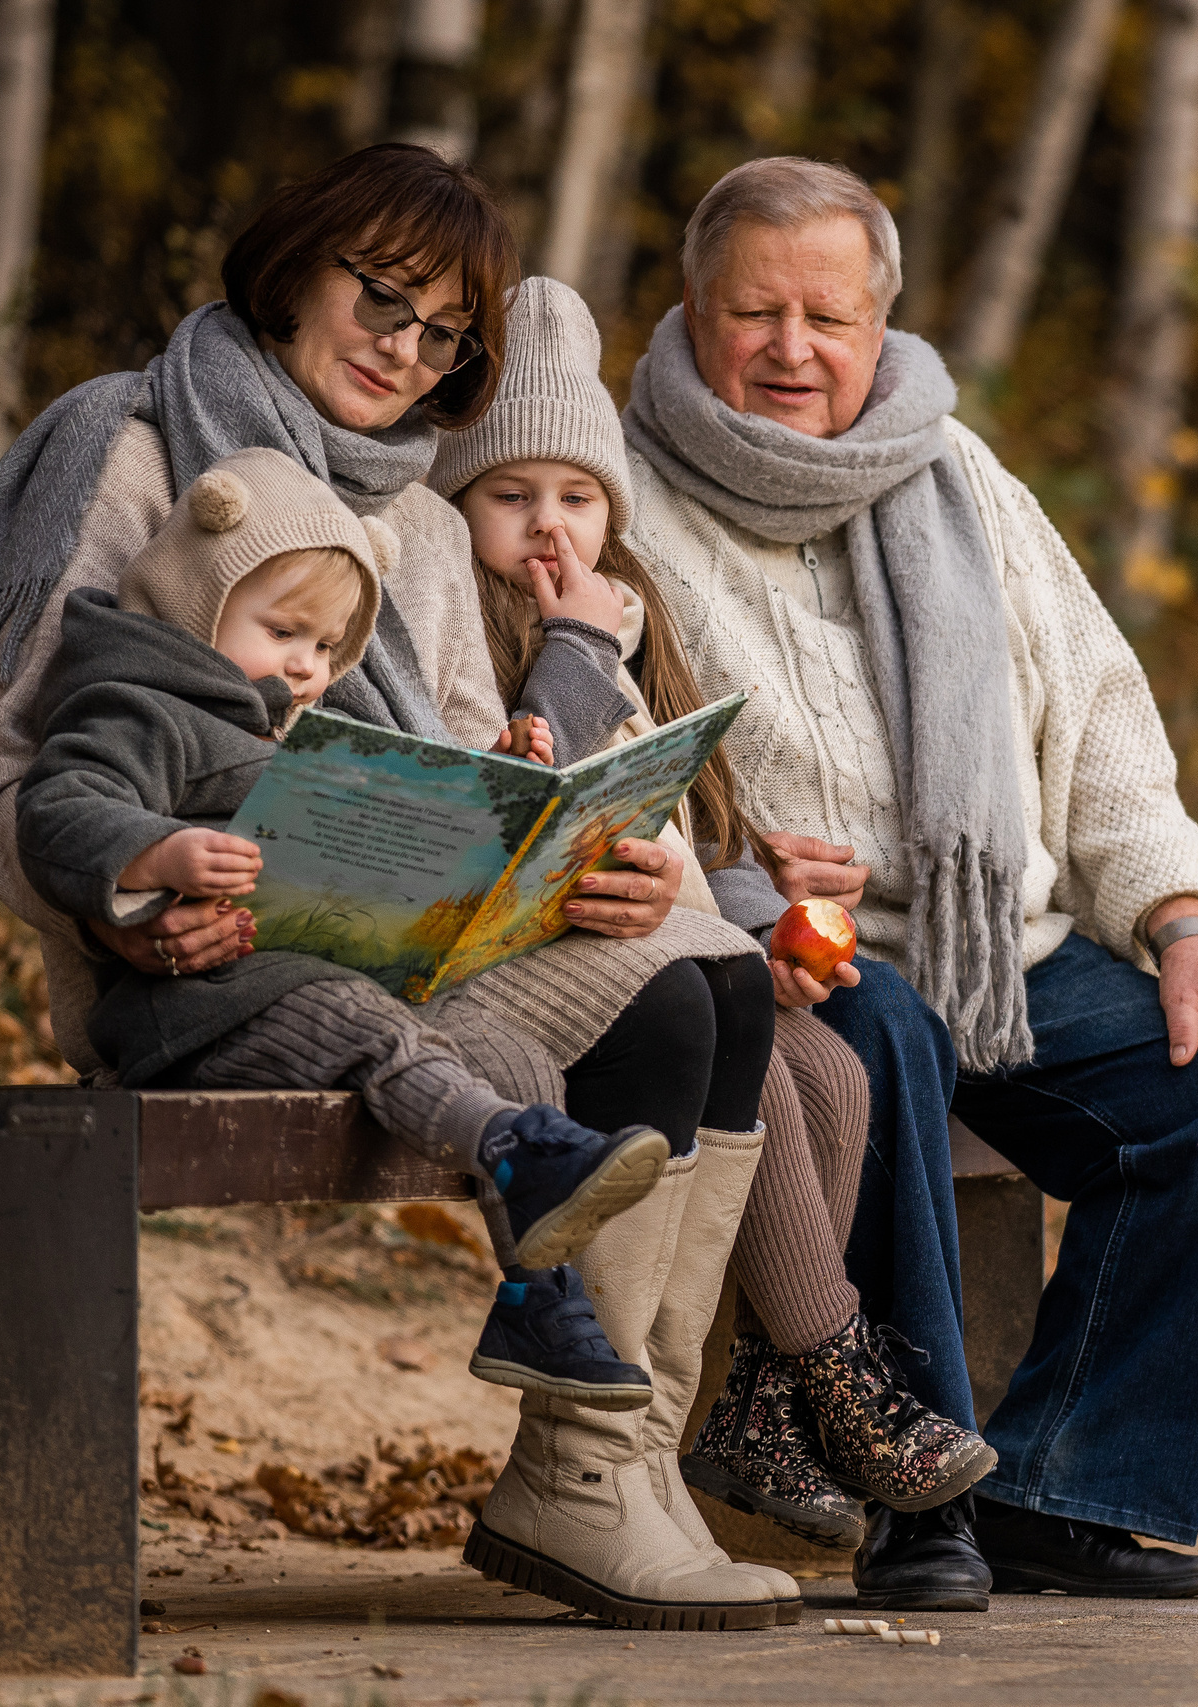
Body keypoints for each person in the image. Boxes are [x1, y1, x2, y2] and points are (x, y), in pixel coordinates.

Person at [0, 144, 794, 1631]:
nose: (407, 347)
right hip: (203, 968)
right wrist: (128, 901)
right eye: (381, 298)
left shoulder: (417, 513)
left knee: (713, 965)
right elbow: (16, 780)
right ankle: (591, 1479)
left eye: (446, 330)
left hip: (399, 941)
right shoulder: (142, 456)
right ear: (290, 273)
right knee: (683, 988)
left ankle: (614, 1464)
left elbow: (462, 765)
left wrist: (574, 852)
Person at [623, 157, 1198, 1609]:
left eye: (829, 315)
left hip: (1003, 939)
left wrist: (1184, 923)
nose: (792, 349)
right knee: (879, 1039)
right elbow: (602, 739)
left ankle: (1067, 1486)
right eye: (754, 311)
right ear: (691, 312)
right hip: (798, 953)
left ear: (883, 323)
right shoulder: (618, 490)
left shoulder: (958, 476)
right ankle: (914, 1493)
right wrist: (734, 887)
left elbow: (1100, 716)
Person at [427, 278, 993, 1565]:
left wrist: (757, 915)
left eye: (576, 501)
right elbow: (492, 821)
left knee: (836, 1076)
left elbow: (696, 826)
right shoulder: (476, 627)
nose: (548, 532)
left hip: (670, 948)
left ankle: (742, 1417)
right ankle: (835, 1376)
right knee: (783, 1082)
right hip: (546, 981)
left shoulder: (630, 621)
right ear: (459, 510)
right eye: (511, 500)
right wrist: (570, 650)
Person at [15, 445, 671, 1312]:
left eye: (326, 645)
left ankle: (540, 1303)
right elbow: (56, 806)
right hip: (198, 1011)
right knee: (362, 1023)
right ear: (195, 601)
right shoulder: (142, 704)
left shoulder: (286, 728)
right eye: (282, 632)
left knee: (509, 1052)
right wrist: (156, 852)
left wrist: (486, 784)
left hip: (317, 974)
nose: (305, 665)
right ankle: (512, 1151)